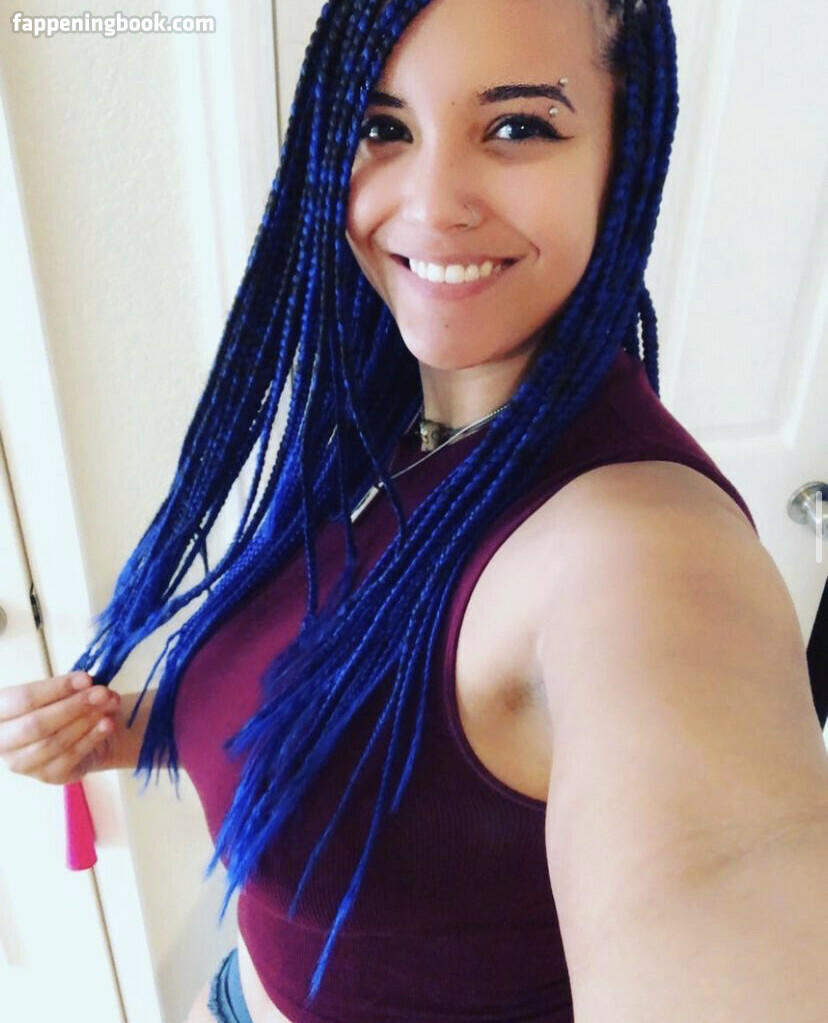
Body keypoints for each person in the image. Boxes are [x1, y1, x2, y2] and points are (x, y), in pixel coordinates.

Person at [2, 1, 827, 1021]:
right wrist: (129, 731)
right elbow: (358, 715)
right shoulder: (380, 424)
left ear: (624, 157)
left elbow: (724, 873)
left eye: (518, 126)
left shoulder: (644, 553)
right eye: (383, 126)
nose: (432, 205)